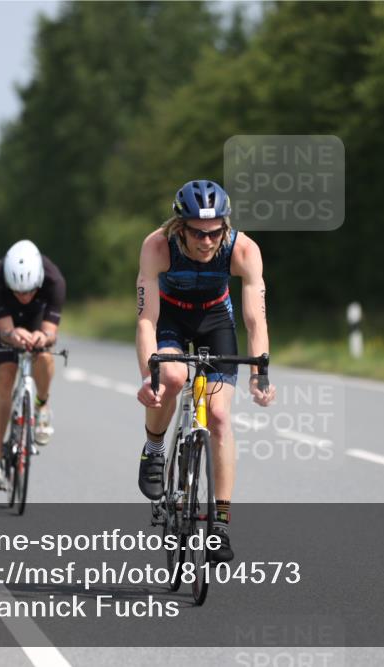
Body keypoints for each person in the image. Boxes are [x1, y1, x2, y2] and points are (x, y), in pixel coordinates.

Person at [135, 179, 276, 563]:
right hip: (171, 320)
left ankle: (220, 526)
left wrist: (259, 373)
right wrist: (151, 377)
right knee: (175, 378)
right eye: (198, 233)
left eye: (215, 233)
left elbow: (254, 320)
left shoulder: (243, 249)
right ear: (181, 226)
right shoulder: (157, 246)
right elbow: (146, 320)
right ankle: (154, 448)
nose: (207, 241)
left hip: (216, 319)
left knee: (217, 416)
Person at [0, 240, 66, 490]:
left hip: (37, 318)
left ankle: (42, 405)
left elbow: (51, 333)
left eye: (29, 291)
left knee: (44, 355)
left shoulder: (54, 282)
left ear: (39, 280)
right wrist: (12, 334)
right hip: (7, 320)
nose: (24, 297)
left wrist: (43, 337)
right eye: (18, 292)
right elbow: (5, 330)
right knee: (6, 374)